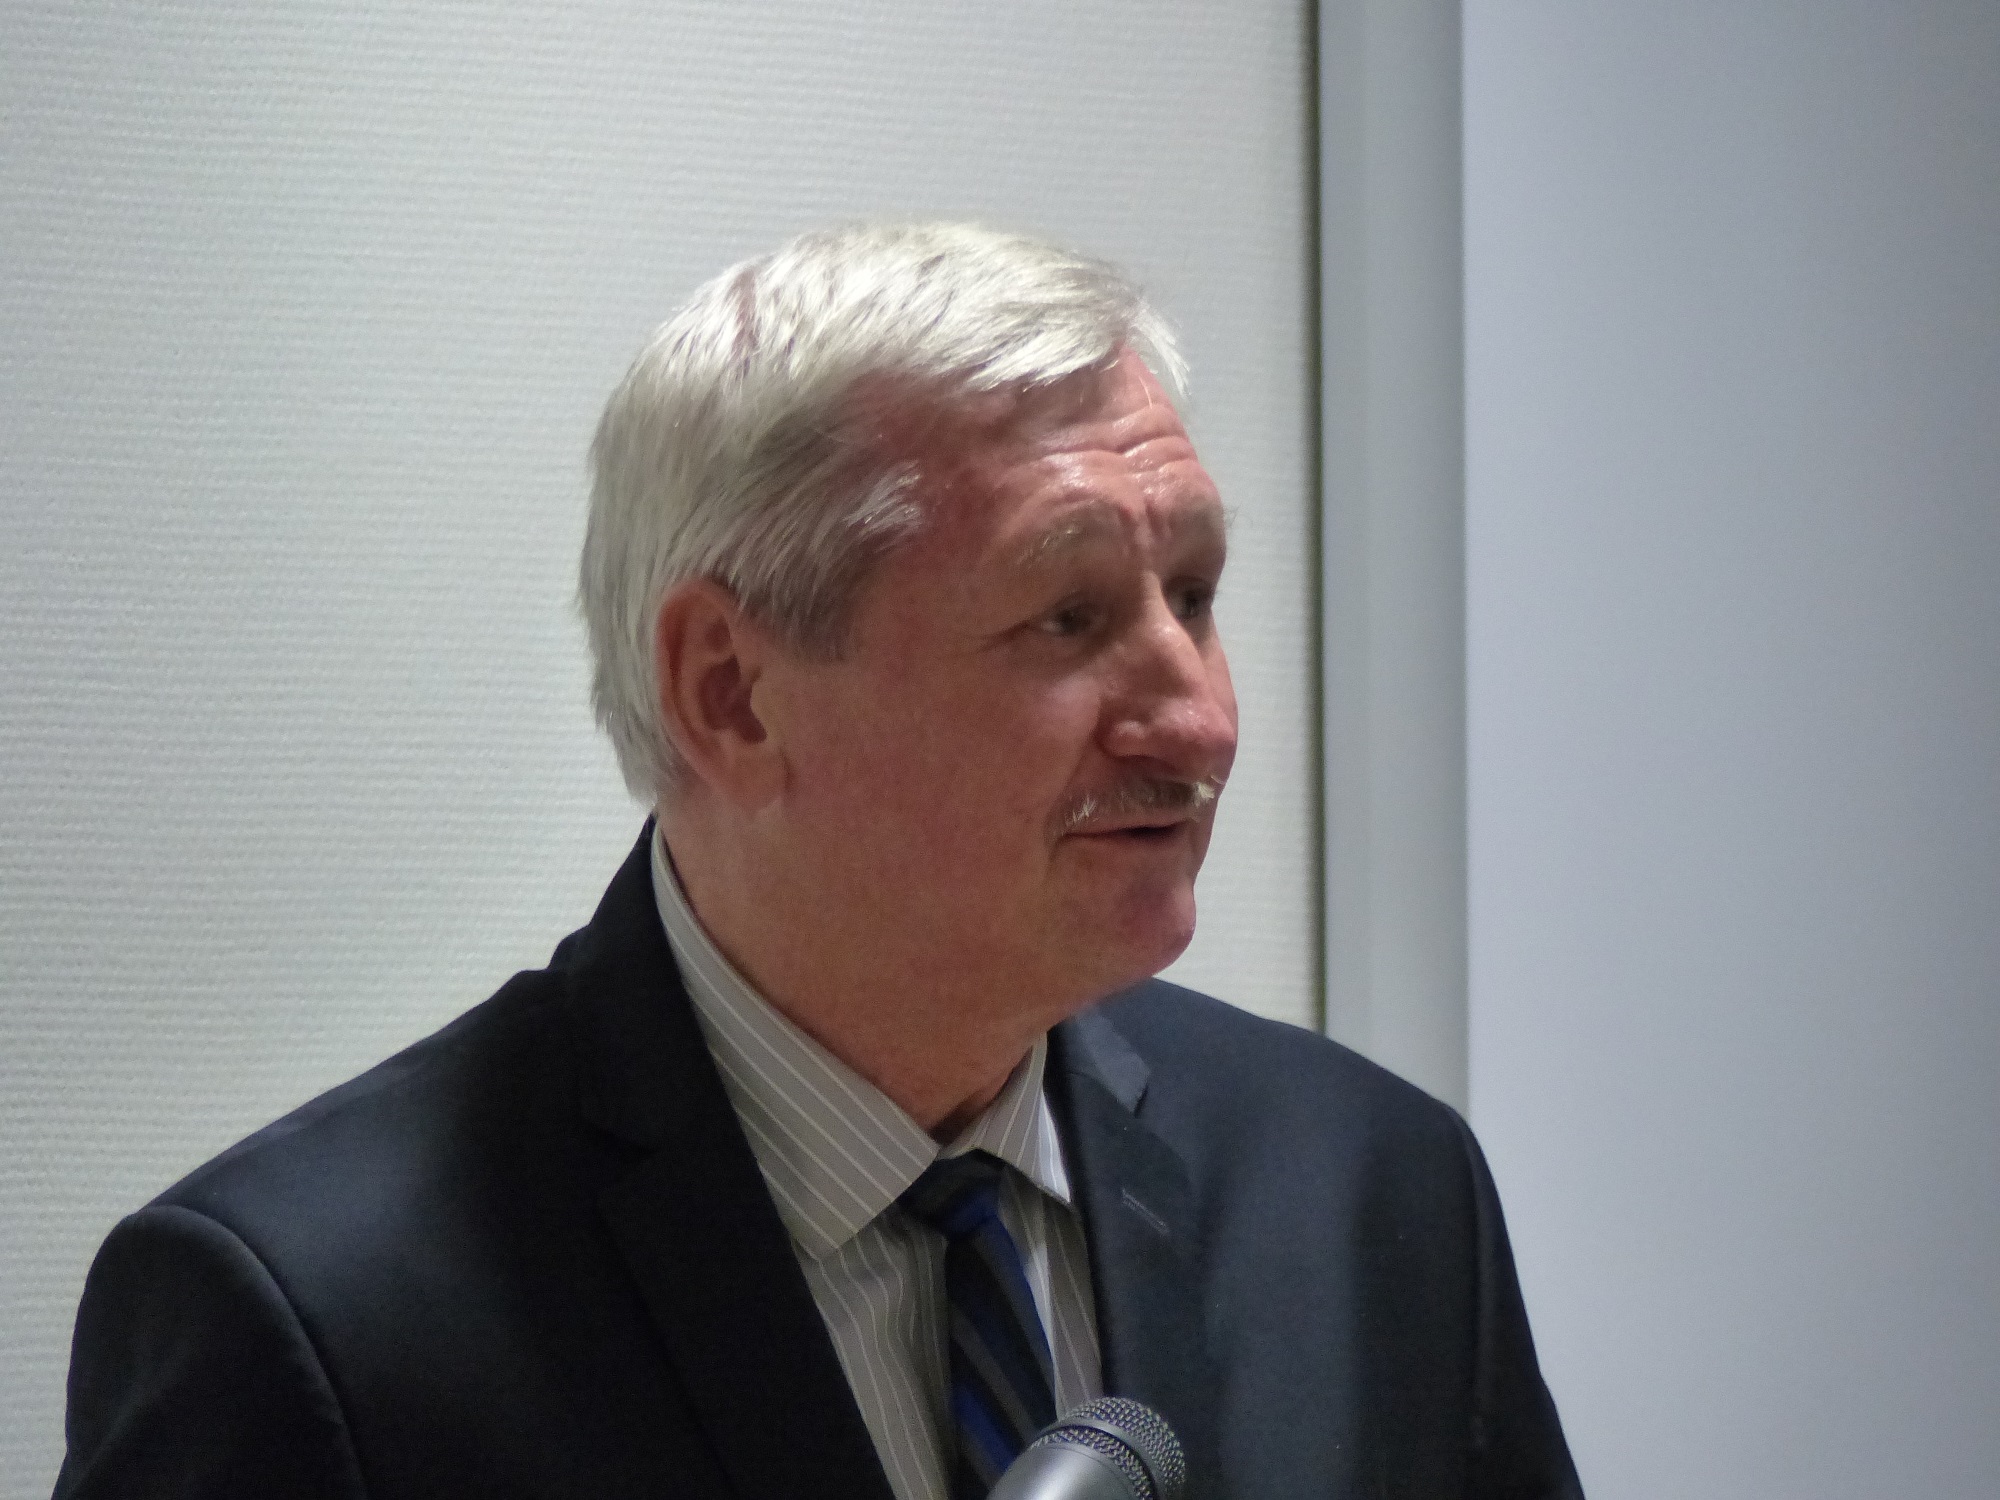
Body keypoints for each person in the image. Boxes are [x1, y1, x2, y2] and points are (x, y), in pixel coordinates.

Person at [54, 223, 1582, 1500]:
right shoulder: (311, 1317)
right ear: (731, 691)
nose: (1198, 718)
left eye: (1192, 595)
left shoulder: (1368, 1190)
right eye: (1068, 617)